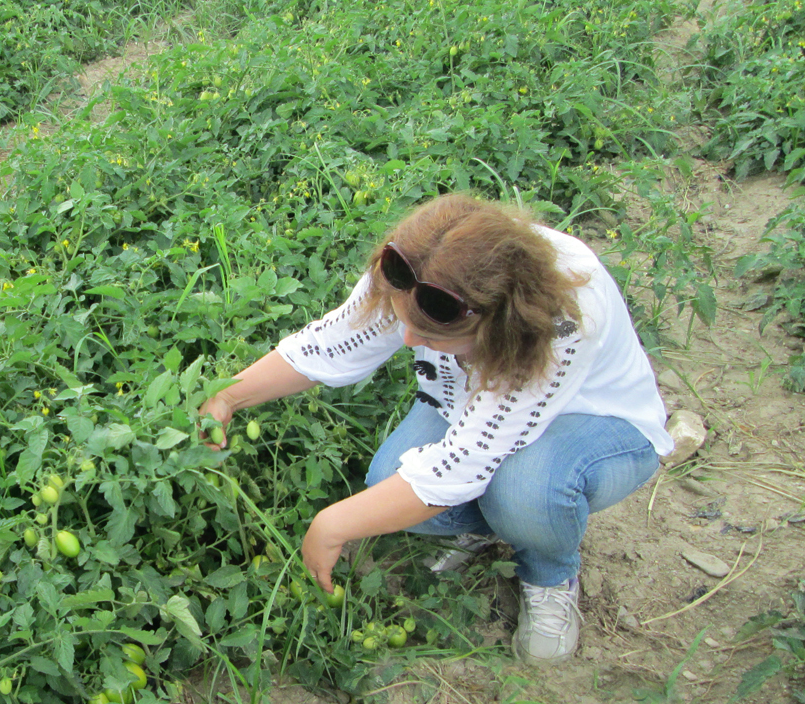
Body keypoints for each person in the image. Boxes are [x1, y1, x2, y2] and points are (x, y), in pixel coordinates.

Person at [200, 194, 672, 665]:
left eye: (429, 337)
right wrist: (229, 396)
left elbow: (462, 463)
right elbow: (332, 343)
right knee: (389, 483)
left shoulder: (560, 319)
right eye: (406, 322)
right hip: (472, 408)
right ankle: (491, 525)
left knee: (523, 491)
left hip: (598, 424)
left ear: (495, 329)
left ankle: (549, 571)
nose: (408, 339)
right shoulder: (416, 264)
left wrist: (331, 525)